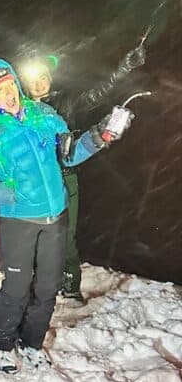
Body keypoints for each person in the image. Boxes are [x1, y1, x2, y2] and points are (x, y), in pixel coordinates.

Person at [0, 58, 132, 373]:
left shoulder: (45, 116)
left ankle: (32, 341)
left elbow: (69, 154)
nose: (9, 94)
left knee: (48, 286)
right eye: (0, 91)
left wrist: (99, 137)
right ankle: (0, 340)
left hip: (56, 216)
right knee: (17, 285)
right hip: (19, 222)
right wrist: (9, 194)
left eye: (11, 84)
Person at [17, 43, 146, 300]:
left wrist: (123, 69)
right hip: (31, 182)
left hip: (65, 178)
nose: (40, 83)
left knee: (66, 235)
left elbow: (99, 93)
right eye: (35, 78)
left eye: (44, 77)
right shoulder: (18, 109)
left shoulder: (66, 101)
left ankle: (70, 284)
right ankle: (34, 283)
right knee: (31, 236)